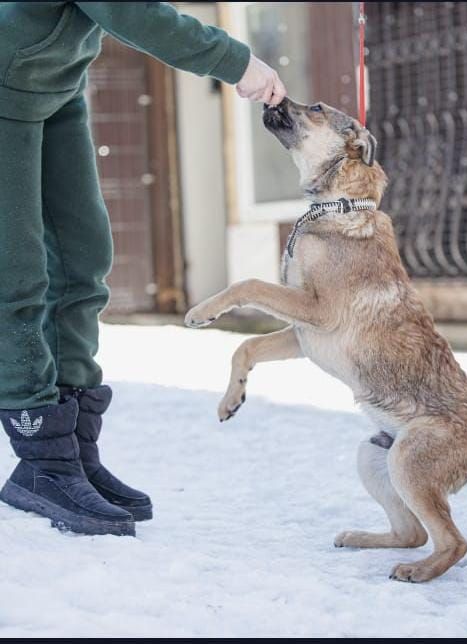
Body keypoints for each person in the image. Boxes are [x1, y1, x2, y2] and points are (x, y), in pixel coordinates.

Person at [0, 1, 286, 537]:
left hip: (56, 86)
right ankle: (42, 457)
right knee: (15, 273)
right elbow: (130, 11)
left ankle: (75, 450)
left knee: (83, 258)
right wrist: (237, 62)